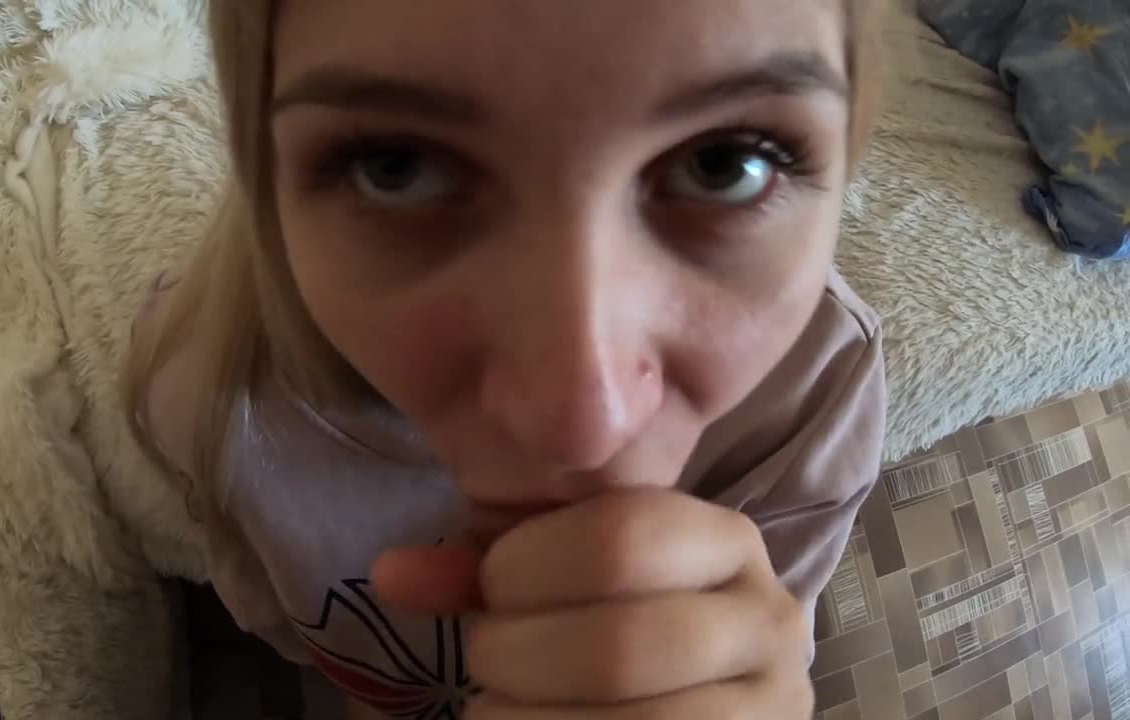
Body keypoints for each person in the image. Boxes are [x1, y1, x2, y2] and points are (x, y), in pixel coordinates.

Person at [124, 1, 886, 718]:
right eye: (396, 167)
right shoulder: (205, 396)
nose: (580, 426)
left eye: (723, 164)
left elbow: (750, 649)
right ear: (267, 177)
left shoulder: (816, 388)